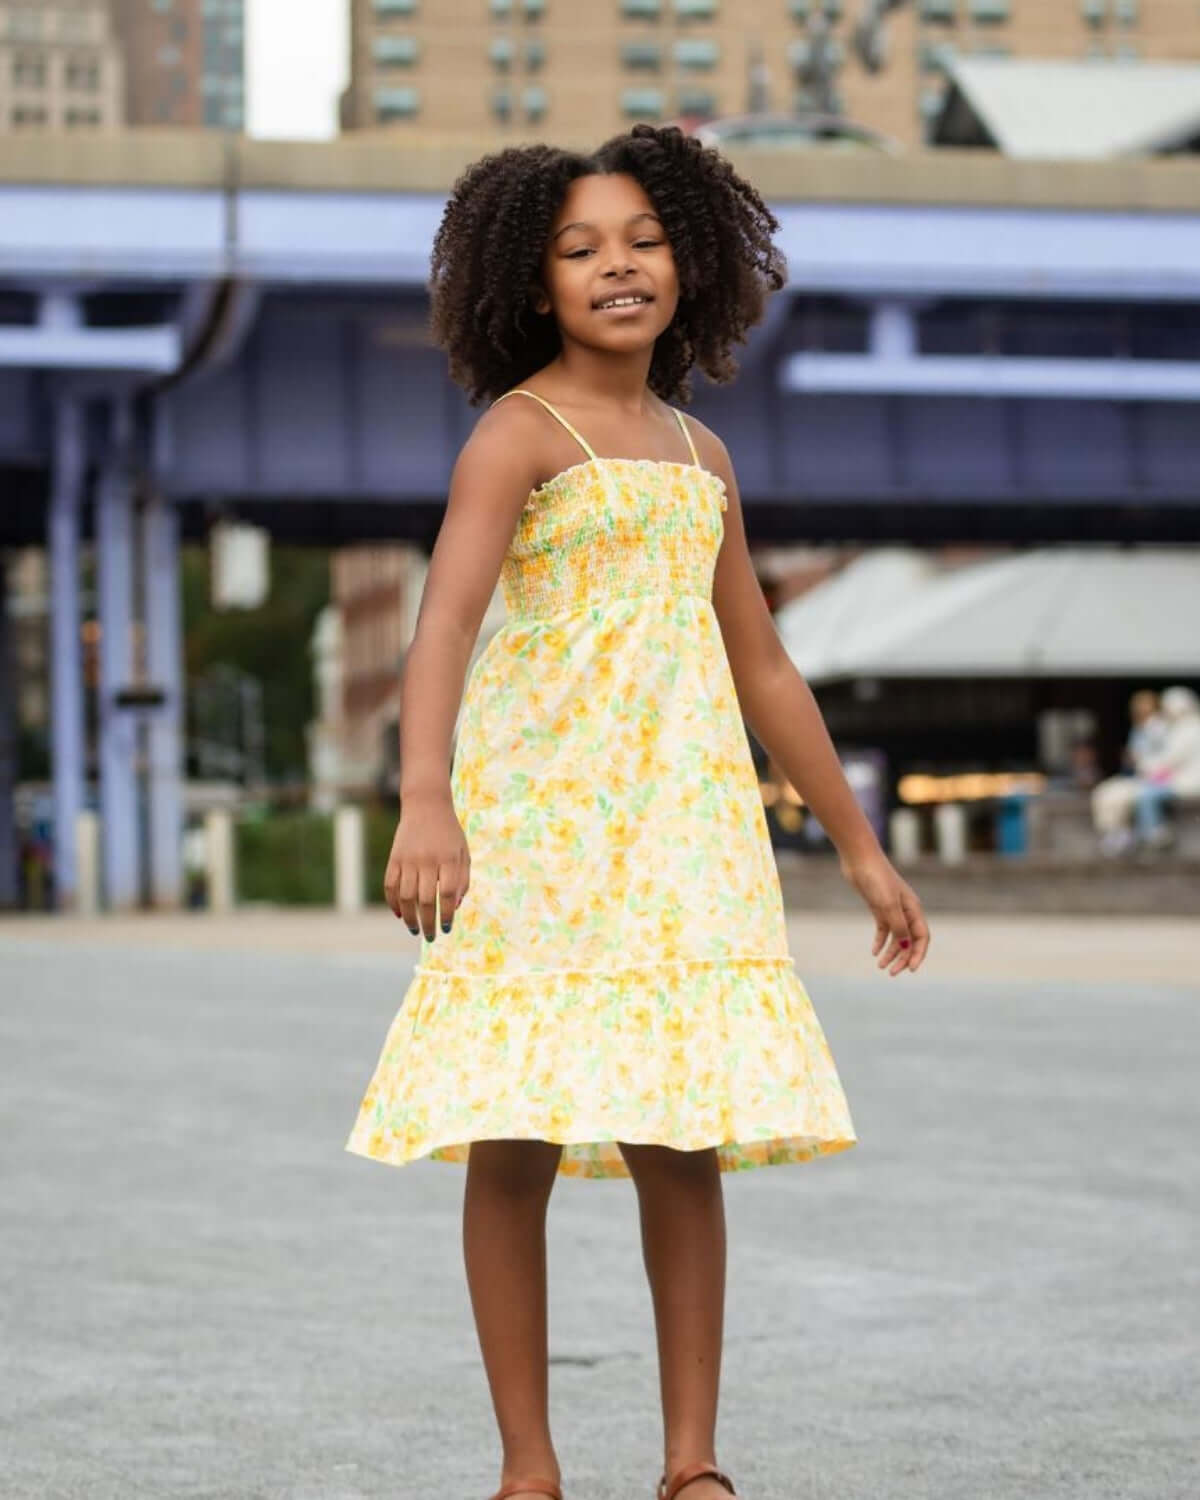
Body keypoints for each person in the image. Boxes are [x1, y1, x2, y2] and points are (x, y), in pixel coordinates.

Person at [344, 124, 931, 1500]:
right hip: (540, 832)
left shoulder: (699, 452)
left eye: (644, 241)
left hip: (684, 833)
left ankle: (691, 1463)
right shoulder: (517, 435)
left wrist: (859, 847)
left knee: (683, 1135)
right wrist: (425, 800)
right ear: (528, 283)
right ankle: (529, 1466)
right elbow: (442, 626)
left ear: (694, 258)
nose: (619, 266)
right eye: (579, 249)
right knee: (518, 1134)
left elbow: (764, 663)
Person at [1091, 689, 1168, 857]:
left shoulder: (1158, 727)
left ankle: (1127, 834)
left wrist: (1141, 762)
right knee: (1105, 792)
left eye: (1144, 705)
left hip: (1153, 778)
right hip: (1138, 775)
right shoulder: (1139, 728)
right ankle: (1115, 832)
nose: (1140, 709)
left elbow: (1162, 758)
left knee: (1121, 794)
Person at [1133, 685, 1200, 852]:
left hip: (1189, 782)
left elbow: (1170, 759)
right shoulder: (1181, 728)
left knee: (1147, 795)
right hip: (1183, 779)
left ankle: (1155, 832)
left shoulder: (1188, 729)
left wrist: (1145, 765)